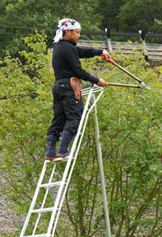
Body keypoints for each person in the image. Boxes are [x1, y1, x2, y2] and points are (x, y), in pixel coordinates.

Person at [44, 18, 110, 161]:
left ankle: (49, 152)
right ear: (68, 31)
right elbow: (78, 70)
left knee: (58, 119)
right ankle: (62, 150)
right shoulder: (68, 48)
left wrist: (99, 52)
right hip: (69, 86)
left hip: (58, 87)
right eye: (77, 32)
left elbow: (80, 52)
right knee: (74, 117)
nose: (79, 36)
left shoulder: (60, 47)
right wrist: (96, 80)